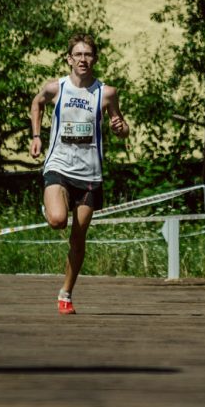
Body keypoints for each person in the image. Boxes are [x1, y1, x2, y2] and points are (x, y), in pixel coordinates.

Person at [29, 33, 130, 315]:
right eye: (79, 55)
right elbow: (36, 104)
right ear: (69, 59)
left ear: (94, 59)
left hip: (90, 174)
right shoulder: (55, 88)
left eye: (88, 55)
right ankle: (50, 208)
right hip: (59, 165)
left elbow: (120, 125)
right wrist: (36, 136)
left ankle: (66, 293)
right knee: (59, 220)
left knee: (78, 237)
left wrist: (121, 128)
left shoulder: (106, 92)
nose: (83, 59)